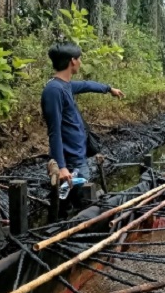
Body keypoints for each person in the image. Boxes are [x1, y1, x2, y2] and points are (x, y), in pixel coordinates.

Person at [41, 42, 125, 189]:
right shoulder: (54, 90)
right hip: (71, 161)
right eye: (79, 59)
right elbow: (54, 132)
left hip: (78, 155)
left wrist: (109, 89)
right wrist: (61, 167)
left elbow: (87, 85)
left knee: (77, 201)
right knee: (78, 203)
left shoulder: (65, 85)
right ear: (72, 61)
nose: (80, 62)